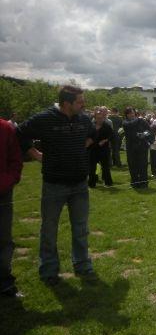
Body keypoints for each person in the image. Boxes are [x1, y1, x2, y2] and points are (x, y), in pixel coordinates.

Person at [16, 85, 97, 285]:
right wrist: (35, 154)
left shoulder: (84, 119)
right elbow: (19, 133)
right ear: (66, 103)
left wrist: (78, 147)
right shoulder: (45, 118)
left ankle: (82, 264)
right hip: (54, 183)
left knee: (80, 227)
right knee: (49, 228)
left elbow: (93, 135)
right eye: (79, 101)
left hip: (79, 183)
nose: (83, 104)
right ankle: (49, 270)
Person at [0, 118, 23, 297]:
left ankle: (4, 282)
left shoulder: (5, 127)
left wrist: (9, 180)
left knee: (4, 239)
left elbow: (15, 158)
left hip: (2, 191)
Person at [123, 107, 151, 189]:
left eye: (132, 113)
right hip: (131, 147)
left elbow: (149, 130)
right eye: (129, 113)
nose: (132, 114)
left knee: (143, 164)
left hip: (142, 146)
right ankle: (135, 183)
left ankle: (144, 183)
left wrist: (144, 134)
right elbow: (130, 125)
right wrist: (139, 119)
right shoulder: (125, 122)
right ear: (126, 115)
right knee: (132, 165)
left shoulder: (141, 121)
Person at [88, 109, 113, 188]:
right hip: (93, 148)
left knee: (105, 166)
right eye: (98, 118)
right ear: (95, 118)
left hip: (103, 149)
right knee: (92, 167)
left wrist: (105, 140)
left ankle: (108, 182)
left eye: (101, 118)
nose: (99, 119)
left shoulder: (107, 126)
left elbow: (112, 136)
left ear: (103, 118)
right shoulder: (91, 126)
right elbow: (87, 135)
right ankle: (92, 183)